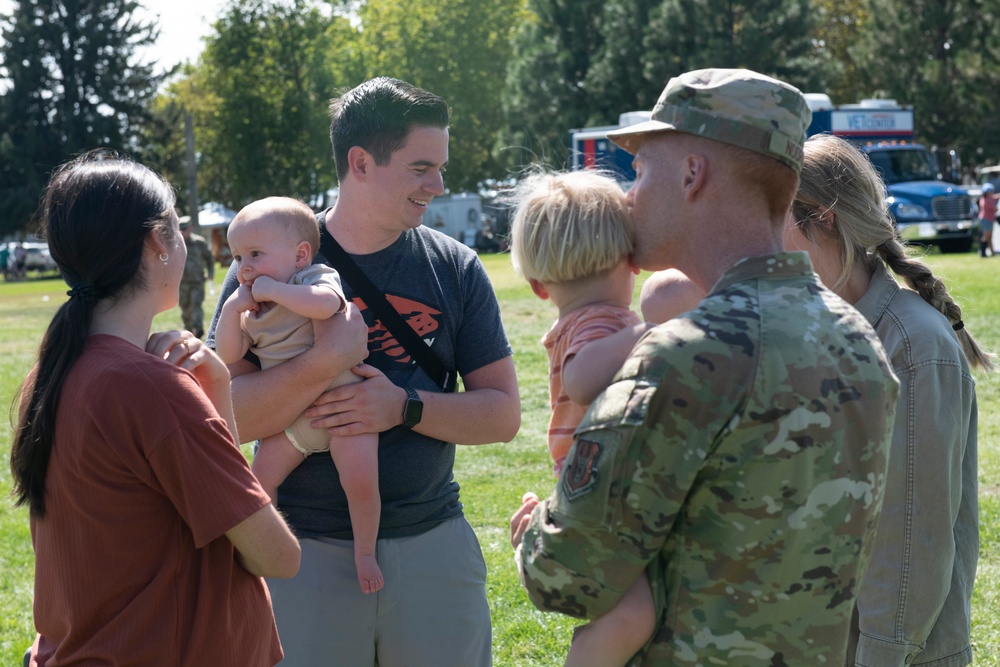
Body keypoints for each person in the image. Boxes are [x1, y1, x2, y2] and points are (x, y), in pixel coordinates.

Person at [509, 68, 901, 666]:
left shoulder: (686, 356)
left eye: (640, 171)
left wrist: (534, 532)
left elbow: (565, 577)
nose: (630, 196)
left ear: (693, 174)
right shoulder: (855, 339)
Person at [206, 77, 520, 666]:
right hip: (301, 554)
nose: (439, 186)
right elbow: (223, 418)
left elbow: (502, 416)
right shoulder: (269, 260)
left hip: (432, 549)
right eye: (422, 167)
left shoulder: (456, 268)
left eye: (441, 168)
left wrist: (405, 406)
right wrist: (325, 362)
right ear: (361, 163)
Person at [10, 150, 301, 667]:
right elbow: (276, 556)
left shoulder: (49, 374)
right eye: (176, 227)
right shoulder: (152, 389)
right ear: (154, 243)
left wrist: (218, 398)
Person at [787, 132, 993, 667]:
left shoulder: (914, 343)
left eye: (773, 215)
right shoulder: (817, 325)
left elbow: (911, 534)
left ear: (824, 218)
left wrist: (879, 655)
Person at [508, 169, 704, 666]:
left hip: (604, 488)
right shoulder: (599, 323)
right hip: (596, 494)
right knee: (631, 615)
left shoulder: (595, 320)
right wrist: (654, 327)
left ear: (536, 286)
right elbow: (581, 377)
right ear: (632, 261)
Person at [215, 196, 383, 594]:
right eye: (238, 257)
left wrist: (275, 289)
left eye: (255, 253)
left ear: (300, 254)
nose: (246, 267)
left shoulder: (314, 278)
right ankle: (263, 551)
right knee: (259, 479)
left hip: (344, 403)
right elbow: (228, 354)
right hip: (293, 418)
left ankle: (364, 552)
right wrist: (231, 311)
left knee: (360, 479)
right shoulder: (249, 307)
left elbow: (326, 308)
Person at [179, 216, 215, 337]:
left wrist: (211, 272)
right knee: (185, 307)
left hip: (197, 281)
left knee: (196, 305)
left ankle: (198, 329)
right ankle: (188, 329)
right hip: (182, 282)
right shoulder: (176, 243)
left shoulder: (199, 242)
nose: (183, 232)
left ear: (190, 228)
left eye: (185, 229)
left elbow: (209, 258)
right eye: (180, 229)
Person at [977, 182, 997, 257]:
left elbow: (994, 197)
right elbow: (995, 209)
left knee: (989, 237)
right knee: (986, 237)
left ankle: (992, 253)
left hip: (986, 219)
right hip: (987, 219)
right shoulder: (988, 200)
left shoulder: (983, 198)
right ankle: (982, 253)